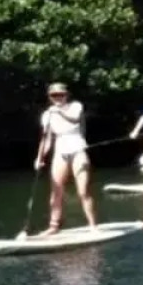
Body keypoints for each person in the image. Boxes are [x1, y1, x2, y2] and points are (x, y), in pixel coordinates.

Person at [35, 82, 97, 233]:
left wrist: (58, 112)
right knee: (56, 191)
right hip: (60, 151)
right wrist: (39, 158)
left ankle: (93, 226)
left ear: (66, 95)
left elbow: (74, 119)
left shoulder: (76, 106)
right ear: (49, 97)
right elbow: (47, 139)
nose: (58, 98)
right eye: (54, 95)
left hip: (77, 149)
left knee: (83, 191)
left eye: (61, 95)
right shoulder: (47, 115)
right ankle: (54, 226)